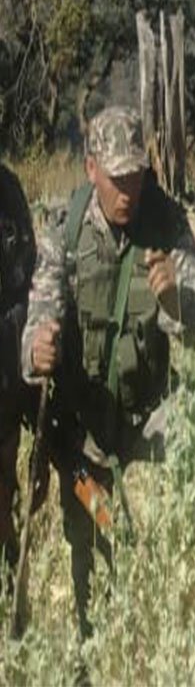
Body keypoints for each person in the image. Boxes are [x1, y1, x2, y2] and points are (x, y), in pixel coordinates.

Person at [22, 106, 195, 635]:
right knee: (92, 550)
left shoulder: (168, 222)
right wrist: (36, 349)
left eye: (137, 176)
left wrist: (174, 300)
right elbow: (39, 314)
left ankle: (186, 608)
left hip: (150, 418)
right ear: (90, 169)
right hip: (84, 436)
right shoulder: (65, 231)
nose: (128, 191)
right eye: (116, 179)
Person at [0, 159, 38, 584]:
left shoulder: (8, 188)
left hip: (6, 373)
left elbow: (26, 277)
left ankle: (11, 573)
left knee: (4, 480)